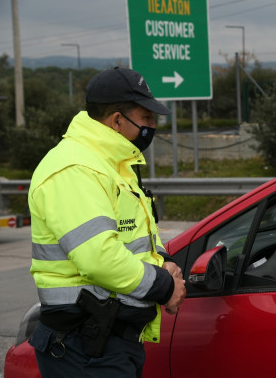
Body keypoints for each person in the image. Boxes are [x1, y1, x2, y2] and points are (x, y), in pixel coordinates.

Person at [28, 67, 186, 378]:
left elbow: (135, 236)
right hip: (81, 347)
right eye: (147, 118)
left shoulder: (112, 165)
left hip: (107, 343)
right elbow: (99, 257)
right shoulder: (74, 168)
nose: (153, 126)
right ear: (116, 120)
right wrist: (164, 285)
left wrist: (163, 261)